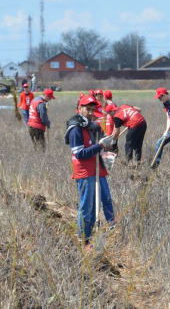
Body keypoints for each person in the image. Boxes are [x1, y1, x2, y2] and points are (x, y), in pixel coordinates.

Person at [64, 95, 116, 249]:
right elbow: (80, 154)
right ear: (79, 109)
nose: (91, 112)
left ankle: (95, 235)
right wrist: (100, 145)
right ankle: (83, 240)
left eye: (93, 109)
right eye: (88, 109)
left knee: (99, 204)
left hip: (97, 169)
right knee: (86, 207)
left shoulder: (92, 126)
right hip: (85, 172)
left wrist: (107, 146)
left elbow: (100, 144)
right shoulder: (75, 130)